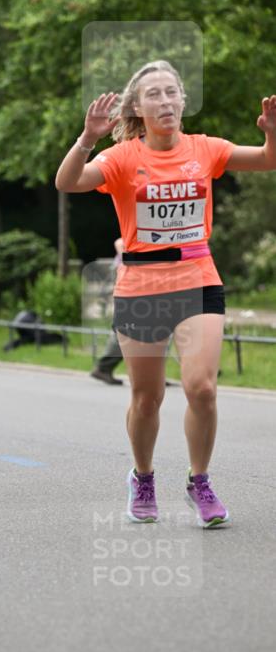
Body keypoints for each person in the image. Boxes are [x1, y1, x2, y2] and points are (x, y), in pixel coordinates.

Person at [56, 60, 275, 527]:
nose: (165, 101)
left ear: (183, 100)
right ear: (137, 107)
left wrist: (272, 134)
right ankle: (143, 477)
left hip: (198, 278)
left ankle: (200, 482)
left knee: (202, 388)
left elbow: (266, 159)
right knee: (147, 398)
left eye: (172, 92)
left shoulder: (205, 148)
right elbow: (68, 182)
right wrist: (88, 138)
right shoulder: (122, 158)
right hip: (141, 287)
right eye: (153, 94)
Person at [90, 237, 125, 385]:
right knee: (128, 328)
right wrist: (131, 262)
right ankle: (104, 367)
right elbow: (119, 242)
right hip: (129, 279)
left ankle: (156, 375)